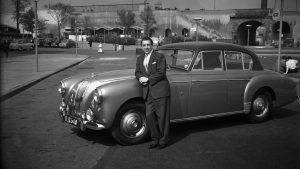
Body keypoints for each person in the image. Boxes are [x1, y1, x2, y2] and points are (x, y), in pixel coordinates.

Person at [135, 36, 171, 149]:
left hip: (160, 91)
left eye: (148, 45)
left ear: (152, 46)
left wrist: (148, 79)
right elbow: (137, 72)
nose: (146, 47)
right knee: (149, 116)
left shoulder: (159, 56)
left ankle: (163, 140)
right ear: (142, 46)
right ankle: (155, 139)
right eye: (144, 45)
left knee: (162, 117)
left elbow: (161, 73)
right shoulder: (140, 58)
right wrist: (140, 77)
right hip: (147, 92)